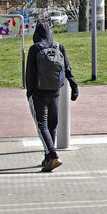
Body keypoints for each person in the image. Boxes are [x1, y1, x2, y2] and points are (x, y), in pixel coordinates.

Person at [22, 21, 79, 171]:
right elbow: (67, 68)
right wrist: (74, 86)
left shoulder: (34, 49)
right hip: (55, 91)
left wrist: (30, 93)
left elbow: (30, 73)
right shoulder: (59, 46)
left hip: (39, 93)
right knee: (52, 125)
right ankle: (48, 156)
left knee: (42, 125)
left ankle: (53, 155)